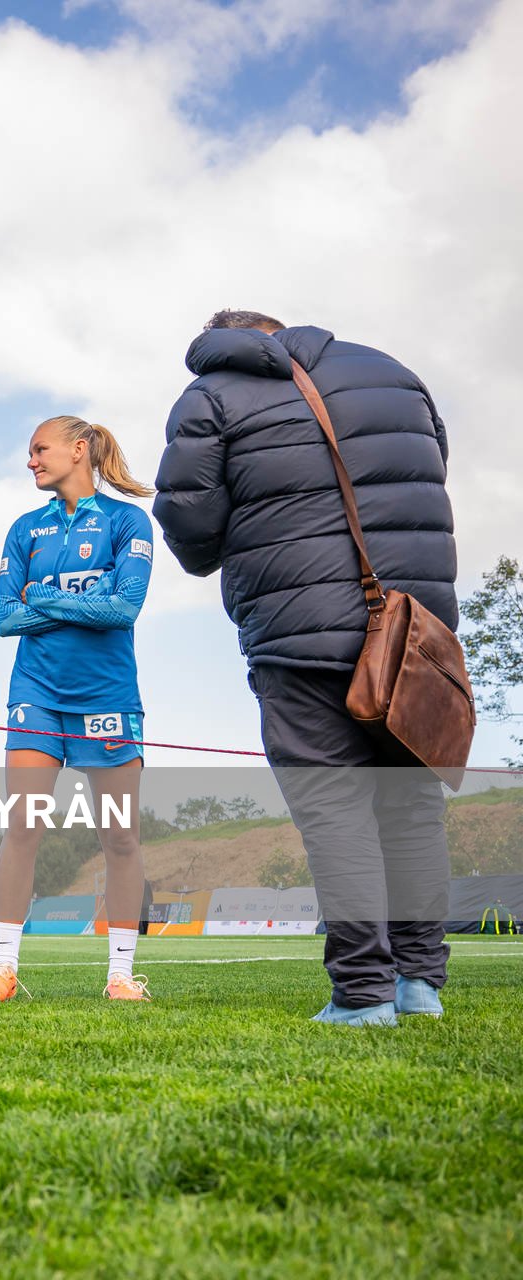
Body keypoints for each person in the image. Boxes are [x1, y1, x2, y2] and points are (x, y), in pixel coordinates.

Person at [154, 310, 456, 1027]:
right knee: (413, 810)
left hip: (298, 631)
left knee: (335, 810)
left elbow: (191, 524)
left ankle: (363, 993)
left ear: (225, 339)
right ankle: (421, 985)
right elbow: (426, 469)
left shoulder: (212, 394)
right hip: (417, 626)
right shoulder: (391, 370)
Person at [0, 415, 157, 1004]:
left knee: (120, 839)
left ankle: (122, 975)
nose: (30, 461)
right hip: (36, 695)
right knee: (23, 827)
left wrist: (45, 595)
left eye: (39, 450)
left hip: (107, 698)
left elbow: (123, 610)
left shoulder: (129, 520)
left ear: (79, 451)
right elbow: (6, 618)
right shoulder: (25, 529)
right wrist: (87, 597)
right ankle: (2, 967)